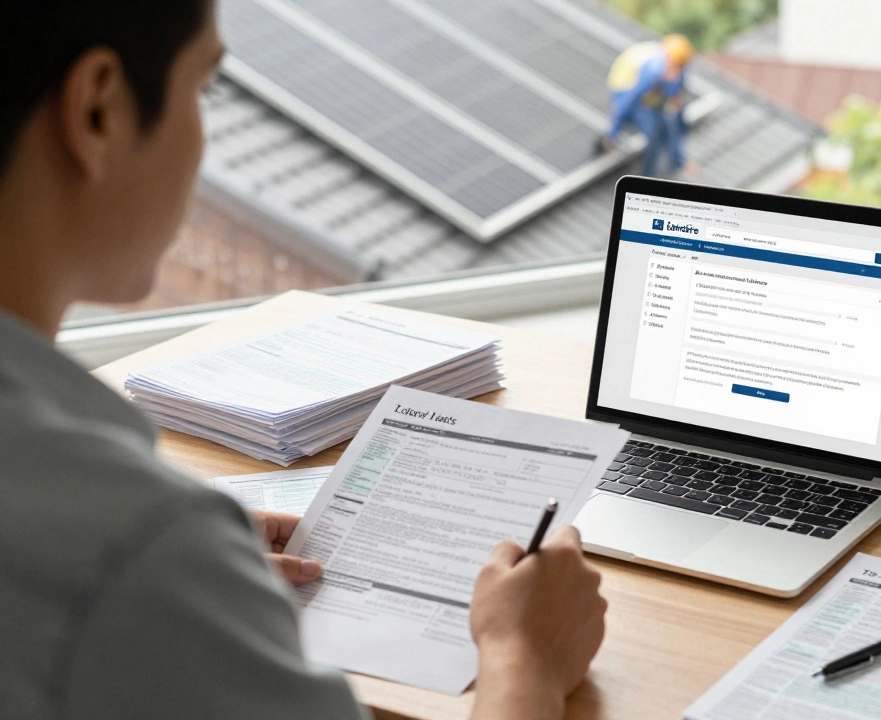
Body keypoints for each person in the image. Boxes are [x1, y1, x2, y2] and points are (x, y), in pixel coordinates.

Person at [0, 2, 607, 719]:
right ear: (97, 109)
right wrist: (523, 661)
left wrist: (192, 579)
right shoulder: (128, 555)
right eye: (204, 89)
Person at [604, 34, 697, 178]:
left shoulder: (678, 71)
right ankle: (647, 177)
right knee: (653, 133)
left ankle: (676, 162)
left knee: (666, 125)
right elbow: (628, 100)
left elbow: (678, 112)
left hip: (651, 98)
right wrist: (613, 133)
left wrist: (681, 158)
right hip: (625, 91)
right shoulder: (651, 71)